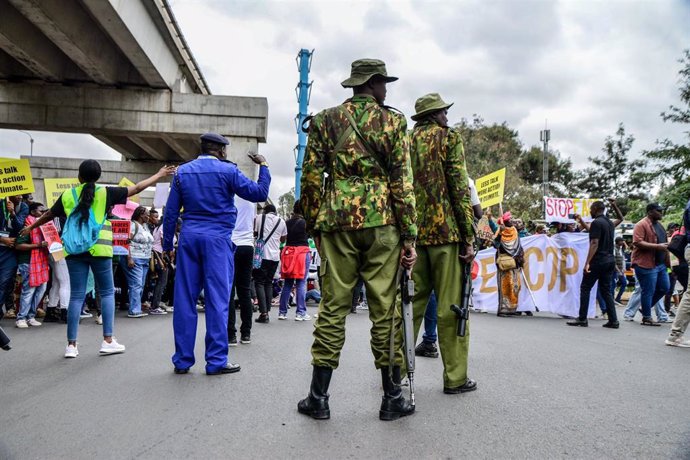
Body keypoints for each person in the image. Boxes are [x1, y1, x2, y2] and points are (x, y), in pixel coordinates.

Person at [298, 59, 417, 421]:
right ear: (375, 84)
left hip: (335, 221)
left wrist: (315, 224)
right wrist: (409, 235)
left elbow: (311, 176)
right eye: (384, 84)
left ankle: (318, 399)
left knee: (333, 307)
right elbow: (403, 182)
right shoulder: (394, 122)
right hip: (383, 223)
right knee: (385, 309)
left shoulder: (324, 120)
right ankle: (391, 398)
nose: (386, 91)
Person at [21, 160, 174, 357]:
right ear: (98, 176)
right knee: (107, 292)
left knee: (76, 296)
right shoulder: (105, 192)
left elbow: (49, 214)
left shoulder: (68, 194)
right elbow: (137, 187)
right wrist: (159, 174)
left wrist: (31, 227)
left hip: (74, 250)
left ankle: (71, 346)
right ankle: (108, 340)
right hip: (100, 249)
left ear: (79, 177)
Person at [163, 132, 270, 375]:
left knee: (184, 300)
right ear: (221, 151)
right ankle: (216, 361)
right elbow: (259, 193)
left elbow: (170, 213)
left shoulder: (182, 172)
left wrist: (168, 246)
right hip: (218, 241)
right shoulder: (228, 171)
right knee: (218, 300)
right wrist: (263, 166)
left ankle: (182, 360)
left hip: (189, 239)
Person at [407, 92, 477, 397]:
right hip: (446, 234)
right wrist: (468, 236)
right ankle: (455, 378)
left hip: (412, 235)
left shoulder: (406, 141)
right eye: (444, 113)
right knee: (453, 307)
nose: (447, 118)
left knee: (409, 307)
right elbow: (460, 189)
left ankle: (397, 373)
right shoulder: (449, 139)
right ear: (434, 115)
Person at [567, 201, 619, 328]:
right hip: (610, 260)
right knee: (606, 291)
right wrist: (614, 206)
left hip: (598, 260)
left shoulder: (597, 222)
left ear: (595, 209)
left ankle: (582, 318)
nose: (590, 211)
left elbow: (594, 242)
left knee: (585, 288)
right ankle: (613, 320)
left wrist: (587, 263)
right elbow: (620, 218)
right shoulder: (609, 223)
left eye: (591, 209)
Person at [630, 203, 671, 326]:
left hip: (660, 264)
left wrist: (669, 265)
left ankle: (646, 308)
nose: (661, 213)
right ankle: (647, 317)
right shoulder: (641, 224)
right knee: (648, 290)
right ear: (650, 212)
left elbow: (665, 246)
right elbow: (637, 242)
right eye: (658, 211)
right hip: (645, 264)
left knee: (665, 287)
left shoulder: (660, 226)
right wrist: (657, 246)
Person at [15, 202, 50, 328]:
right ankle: (21, 318)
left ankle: (31, 316)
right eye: (41, 211)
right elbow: (18, 245)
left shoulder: (45, 225)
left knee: (41, 290)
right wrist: (38, 245)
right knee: (29, 290)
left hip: (42, 262)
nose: (44, 213)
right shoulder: (27, 225)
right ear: (33, 212)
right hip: (28, 262)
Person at [228, 196, 256, 346]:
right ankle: (246, 333)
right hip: (247, 245)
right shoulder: (251, 200)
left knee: (229, 291)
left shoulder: (229, 197)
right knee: (245, 291)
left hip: (232, 244)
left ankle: (230, 334)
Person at [253, 204, 287, 323]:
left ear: (265, 211)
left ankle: (263, 313)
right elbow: (283, 239)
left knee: (259, 282)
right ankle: (267, 309)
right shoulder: (281, 221)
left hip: (262, 254)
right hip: (275, 256)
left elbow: (255, 233)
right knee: (269, 282)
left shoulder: (259, 218)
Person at [278, 201, 312, 321]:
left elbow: (283, 238)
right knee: (301, 283)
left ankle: (282, 312)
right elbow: (311, 235)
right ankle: (300, 312)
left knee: (287, 283)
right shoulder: (305, 223)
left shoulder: (286, 222)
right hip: (302, 253)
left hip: (288, 253)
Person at [121, 206, 154, 318]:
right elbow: (126, 242)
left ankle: (136, 308)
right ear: (140, 214)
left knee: (141, 285)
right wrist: (129, 258)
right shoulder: (132, 225)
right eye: (147, 214)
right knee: (136, 284)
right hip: (134, 258)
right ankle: (134, 310)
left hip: (144, 259)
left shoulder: (145, 227)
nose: (148, 217)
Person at [494, 212, 524, 317]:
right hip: (504, 262)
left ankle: (512, 308)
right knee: (505, 286)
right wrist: (500, 233)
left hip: (515, 261)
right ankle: (503, 309)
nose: (512, 220)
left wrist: (520, 258)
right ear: (505, 221)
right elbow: (495, 244)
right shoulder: (500, 231)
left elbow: (518, 245)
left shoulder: (515, 231)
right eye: (510, 219)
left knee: (515, 285)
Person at [614, 237, 628, 304]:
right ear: (618, 241)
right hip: (616, 270)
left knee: (624, 283)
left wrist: (622, 270)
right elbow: (614, 261)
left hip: (621, 271)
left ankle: (618, 298)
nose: (623, 242)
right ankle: (612, 299)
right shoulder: (614, 249)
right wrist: (618, 270)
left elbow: (627, 250)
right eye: (622, 241)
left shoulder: (621, 249)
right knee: (613, 285)